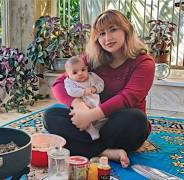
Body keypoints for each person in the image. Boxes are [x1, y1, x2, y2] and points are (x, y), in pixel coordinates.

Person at [43, 9, 155, 168]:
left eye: (113, 30)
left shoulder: (144, 62)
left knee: (136, 119)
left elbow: (128, 97)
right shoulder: (91, 58)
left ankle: (83, 146)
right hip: (90, 127)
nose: (107, 38)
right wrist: (78, 104)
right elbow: (59, 83)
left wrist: (89, 116)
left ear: (126, 30)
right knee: (51, 115)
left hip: (120, 127)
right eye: (101, 33)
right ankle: (105, 152)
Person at [64, 56, 105, 140]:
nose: (80, 73)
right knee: (79, 116)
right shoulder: (69, 82)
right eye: (75, 72)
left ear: (87, 68)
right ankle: (91, 130)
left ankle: (99, 128)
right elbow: (70, 91)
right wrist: (83, 92)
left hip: (96, 105)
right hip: (82, 106)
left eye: (83, 70)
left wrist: (95, 89)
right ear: (68, 74)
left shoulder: (92, 76)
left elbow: (101, 83)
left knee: (102, 119)